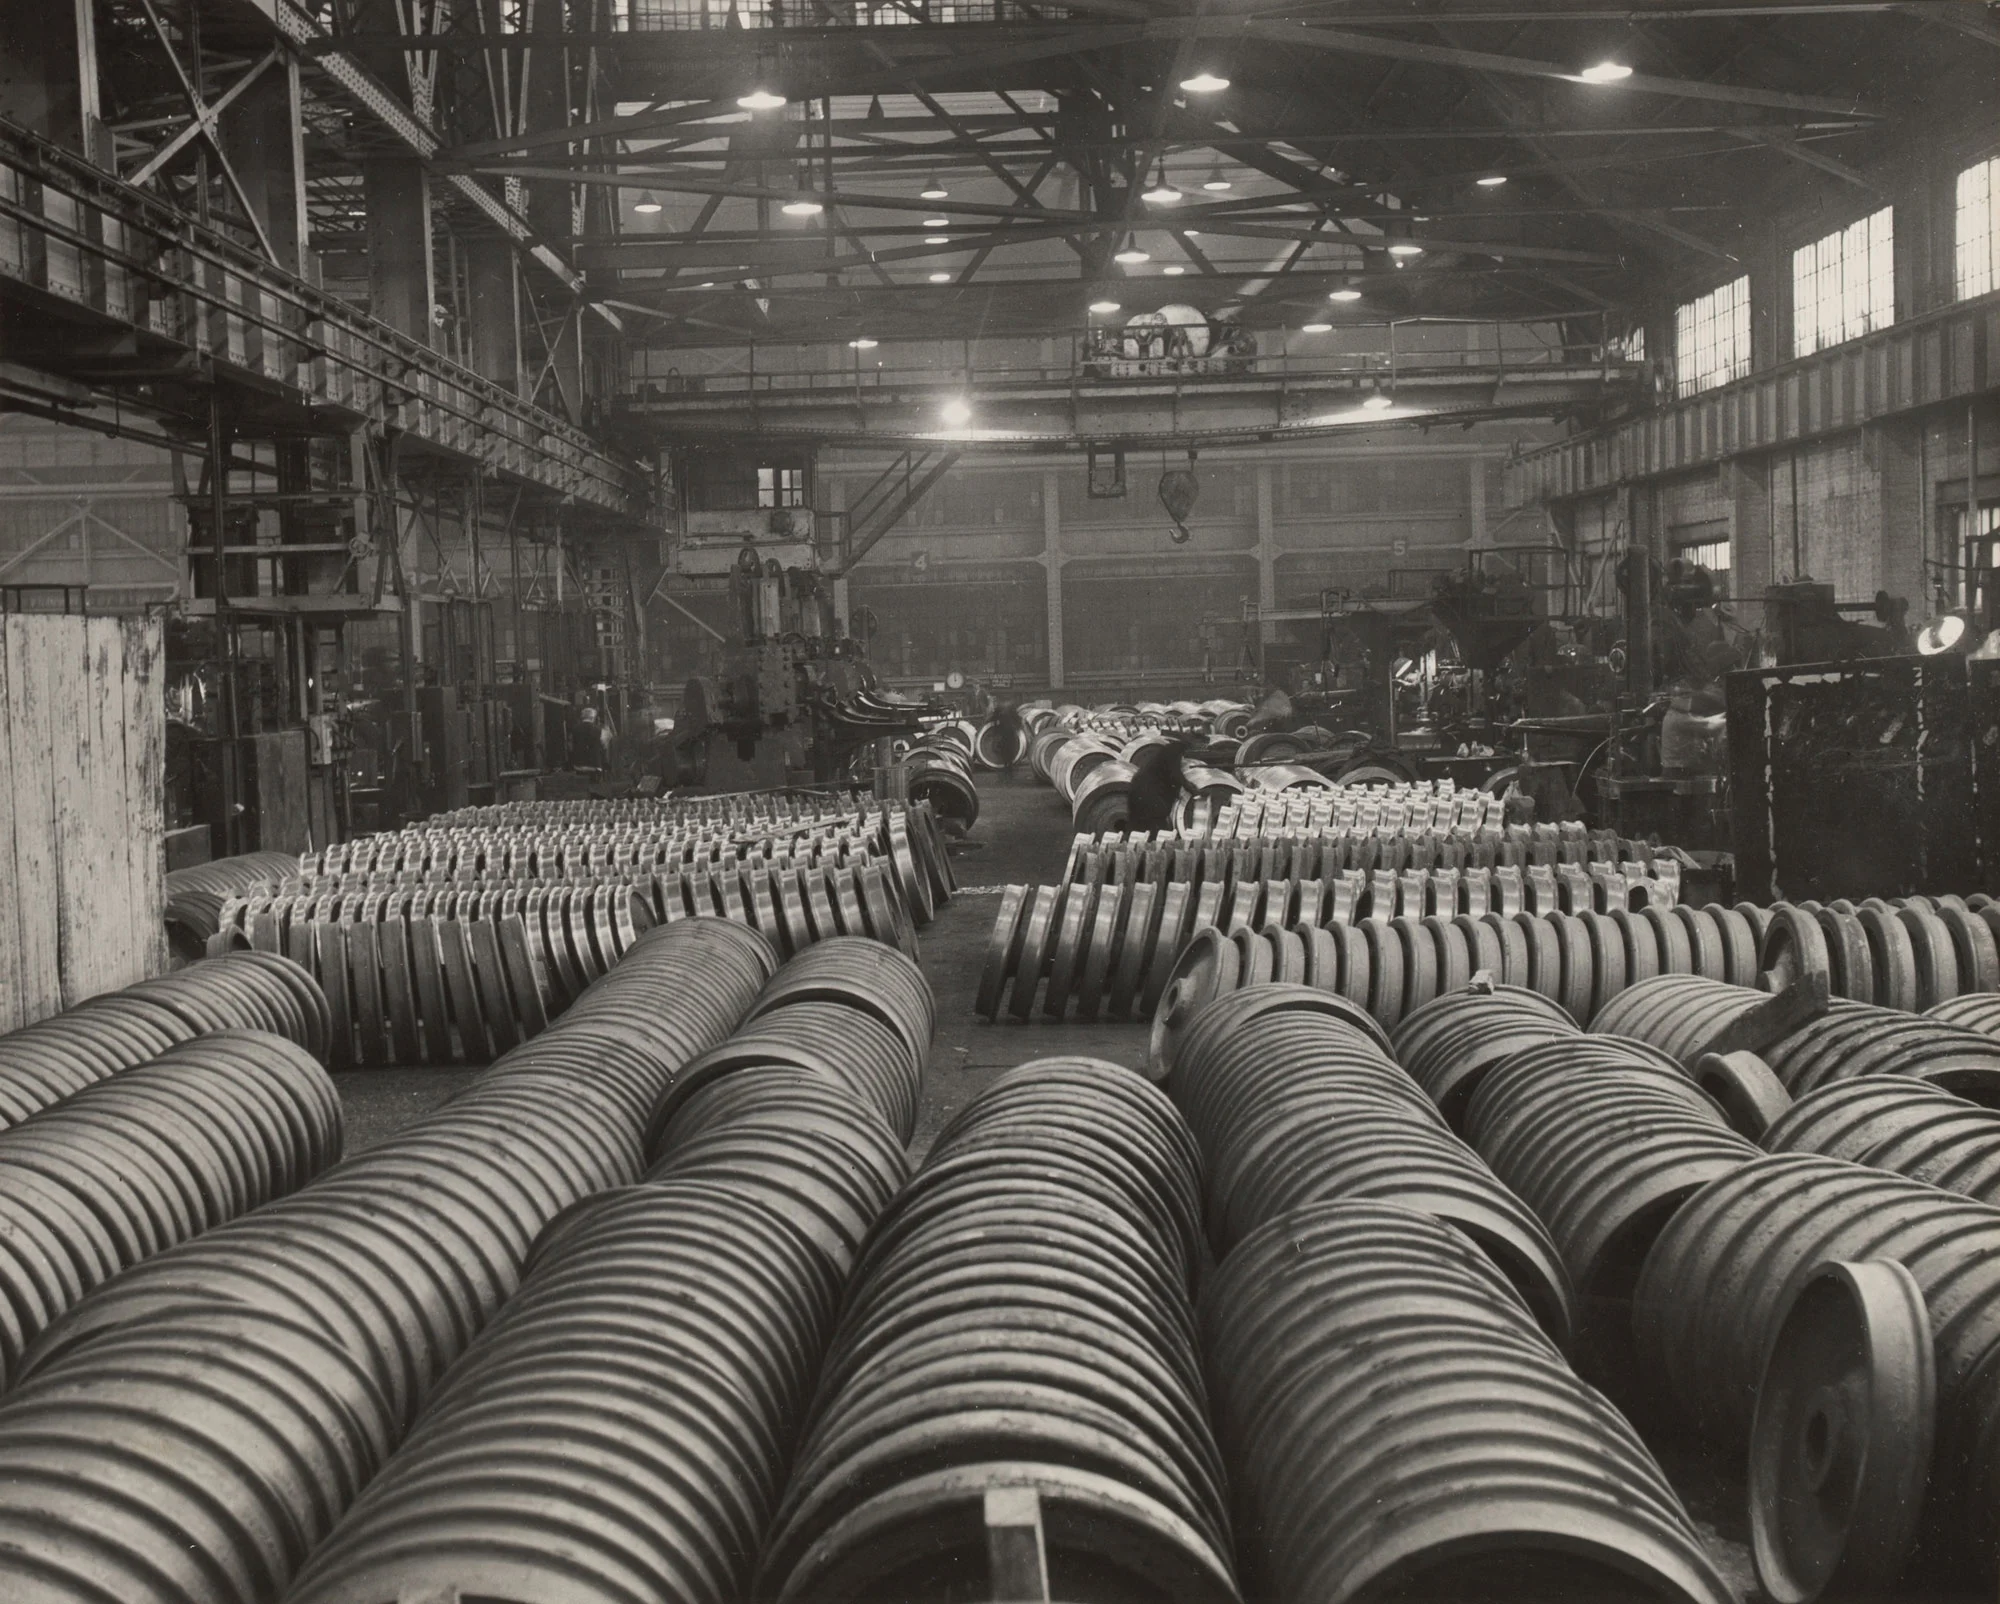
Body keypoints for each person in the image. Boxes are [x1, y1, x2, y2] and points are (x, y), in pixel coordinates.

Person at [1127, 738, 1189, 832]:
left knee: (1138, 822)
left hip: (1138, 787)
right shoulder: (1173, 755)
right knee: (1156, 820)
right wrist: (1193, 789)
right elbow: (1177, 775)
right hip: (1147, 791)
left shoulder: (1162, 754)